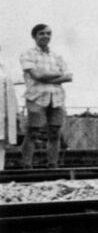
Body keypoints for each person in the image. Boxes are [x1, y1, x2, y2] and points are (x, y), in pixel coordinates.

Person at [20, 24, 72, 168]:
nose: (45, 36)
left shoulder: (57, 56)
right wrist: (58, 74)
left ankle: (52, 165)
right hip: (36, 98)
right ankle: (26, 166)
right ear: (34, 36)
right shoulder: (28, 54)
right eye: (41, 33)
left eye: (48, 33)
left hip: (57, 98)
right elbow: (36, 75)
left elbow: (69, 76)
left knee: (55, 132)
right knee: (33, 132)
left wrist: (45, 77)